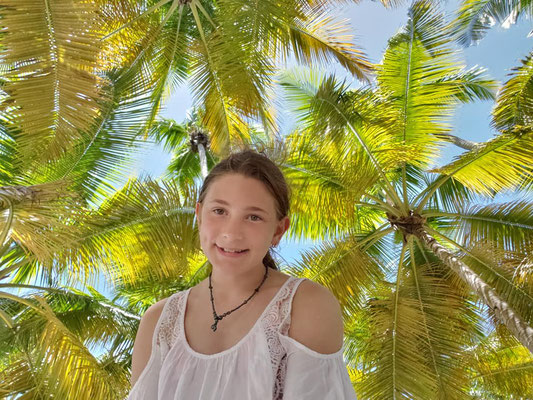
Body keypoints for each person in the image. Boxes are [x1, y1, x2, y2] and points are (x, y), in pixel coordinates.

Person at [127, 149, 357, 399]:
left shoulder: (306, 305)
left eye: (253, 217)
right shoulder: (159, 321)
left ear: (279, 230)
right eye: (219, 211)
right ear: (199, 215)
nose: (231, 233)